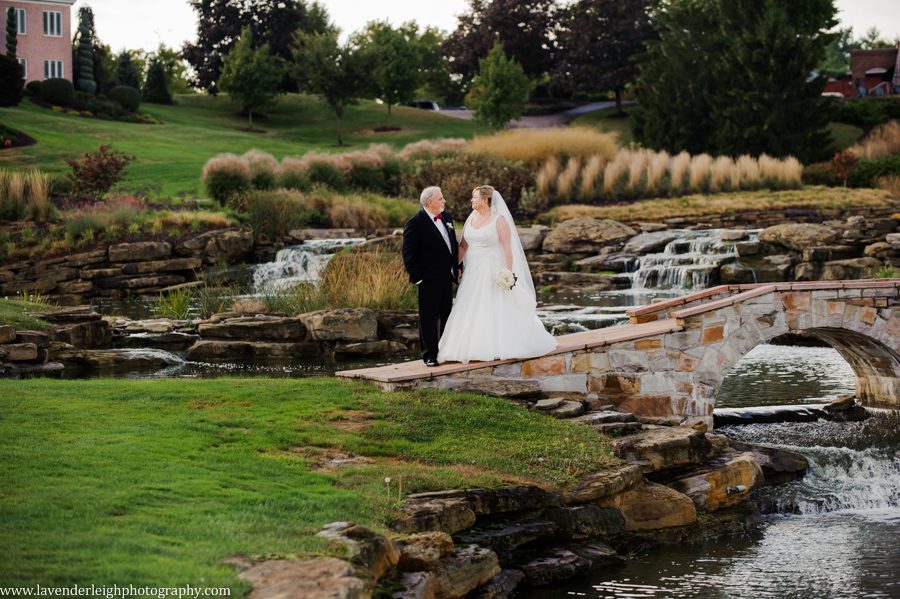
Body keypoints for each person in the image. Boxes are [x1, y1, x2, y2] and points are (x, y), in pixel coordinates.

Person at [437, 185, 557, 363]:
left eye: (474, 197)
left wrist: (507, 273)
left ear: (484, 200)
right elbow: (463, 247)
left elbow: (509, 249)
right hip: (474, 273)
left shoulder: (499, 220)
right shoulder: (471, 219)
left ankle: (497, 346)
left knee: (495, 307)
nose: (471, 200)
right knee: (469, 306)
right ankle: (466, 348)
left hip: (494, 270)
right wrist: (451, 267)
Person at [402, 186, 460, 366]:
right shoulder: (415, 223)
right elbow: (409, 254)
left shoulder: (447, 217)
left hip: (446, 277)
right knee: (428, 318)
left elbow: (453, 245)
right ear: (430, 202)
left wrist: (457, 266)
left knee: (446, 315)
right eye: (441, 198)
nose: (444, 201)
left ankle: (445, 350)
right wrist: (418, 278)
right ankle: (429, 355)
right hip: (427, 280)